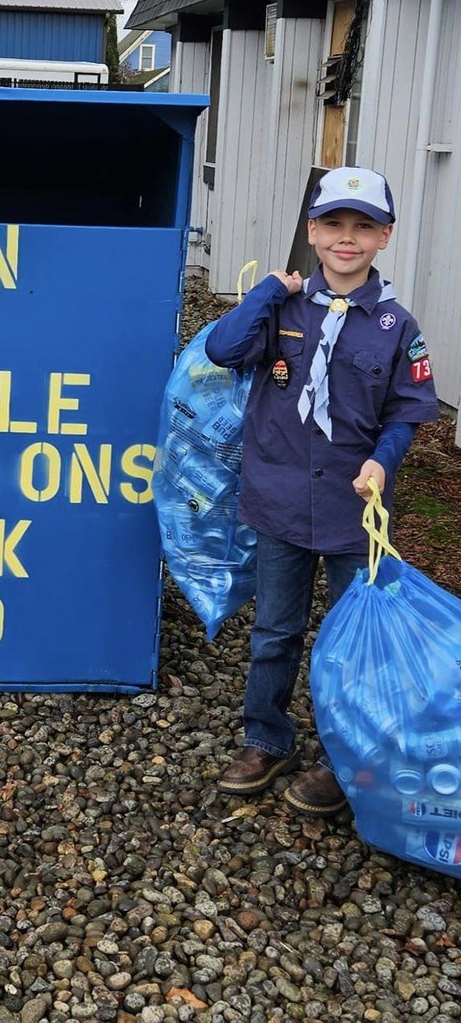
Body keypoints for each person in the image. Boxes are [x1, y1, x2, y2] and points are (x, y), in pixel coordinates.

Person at [205, 166, 438, 815]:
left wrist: (384, 463)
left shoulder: (396, 327)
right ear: (312, 231)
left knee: (353, 644)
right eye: (333, 223)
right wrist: (265, 292)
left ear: (385, 237)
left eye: (363, 227)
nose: (346, 238)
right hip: (279, 502)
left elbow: (407, 411)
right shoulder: (283, 307)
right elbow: (224, 351)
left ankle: (347, 759)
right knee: (275, 631)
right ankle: (266, 738)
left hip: (352, 514)